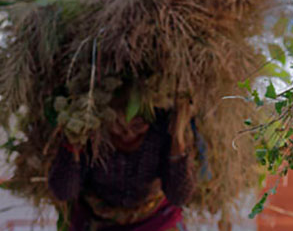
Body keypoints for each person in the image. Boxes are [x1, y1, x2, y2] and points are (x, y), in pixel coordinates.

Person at [48, 91, 196, 231]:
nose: (127, 133)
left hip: (155, 220)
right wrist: (73, 142)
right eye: (117, 125)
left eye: (137, 126)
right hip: (98, 220)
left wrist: (178, 138)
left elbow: (179, 196)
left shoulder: (160, 134)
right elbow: (63, 191)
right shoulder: (94, 136)